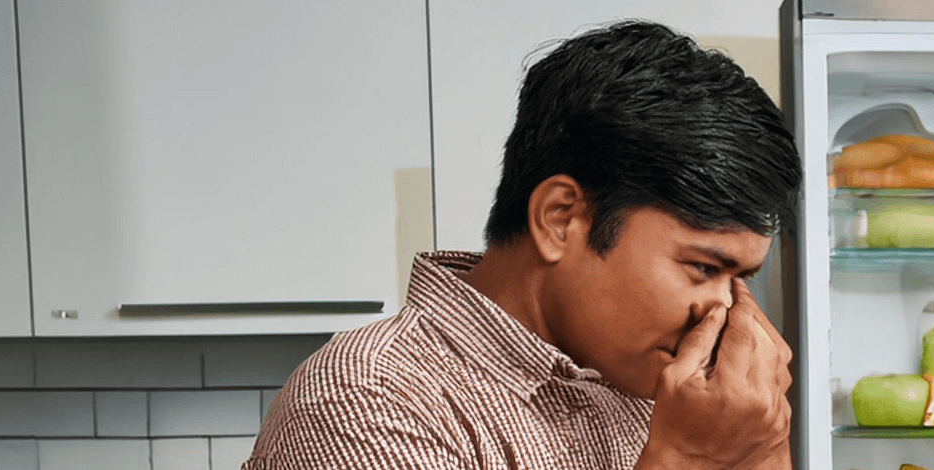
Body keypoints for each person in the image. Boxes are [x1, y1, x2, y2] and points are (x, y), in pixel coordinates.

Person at [243, 20, 802, 470]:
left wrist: (761, 445)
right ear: (561, 219)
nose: (727, 313)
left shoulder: (651, 386)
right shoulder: (367, 400)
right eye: (704, 267)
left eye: (742, 279)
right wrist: (690, 458)